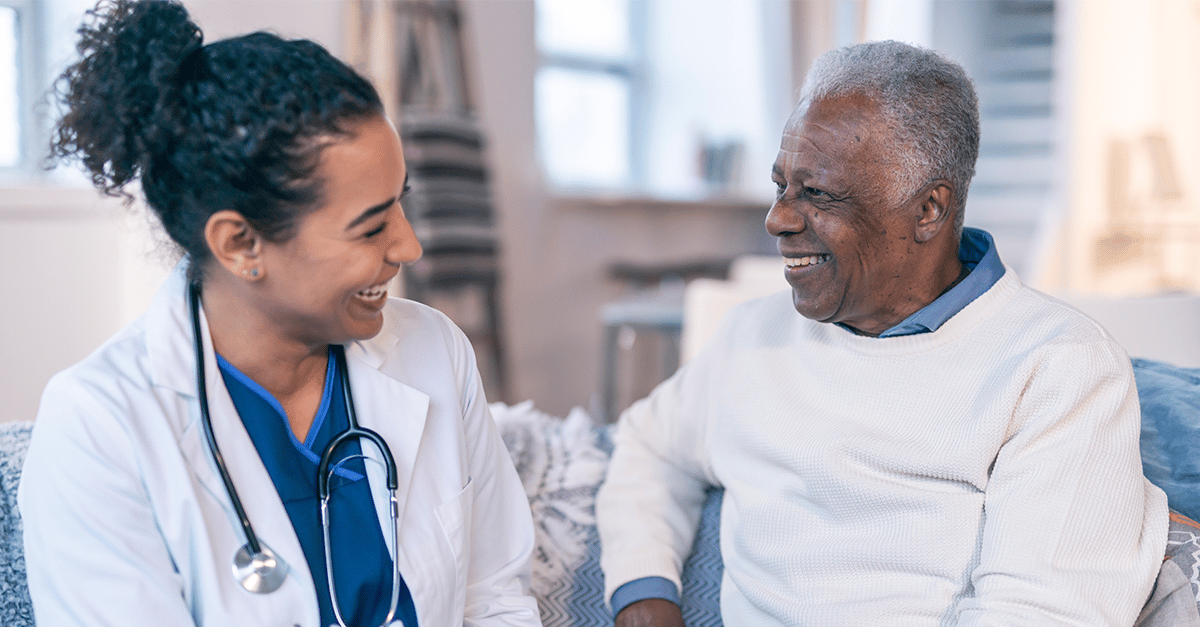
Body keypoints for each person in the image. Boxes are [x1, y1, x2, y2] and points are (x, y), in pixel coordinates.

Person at [596, 40, 1168, 626]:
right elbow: (649, 447)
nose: (778, 219)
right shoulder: (754, 333)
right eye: (781, 186)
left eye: (818, 194)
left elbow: (1045, 613)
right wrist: (645, 599)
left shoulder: (1059, 366)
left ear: (928, 211)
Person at [17, 1, 542, 626]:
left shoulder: (434, 350)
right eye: (371, 227)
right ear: (240, 245)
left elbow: (495, 597)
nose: (409, 247)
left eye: (400, 205)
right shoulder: (100, 424)